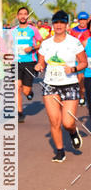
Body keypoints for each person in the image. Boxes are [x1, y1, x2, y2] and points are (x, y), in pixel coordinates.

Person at [35, 10, 87, 161]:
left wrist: (74, 69)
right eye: (56, 22)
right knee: (54, 121)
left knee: (68, 122)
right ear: (53, 24)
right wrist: (39, 65)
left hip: (70, 84)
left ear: (66, 25)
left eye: (62, 22)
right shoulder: (46, 43)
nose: (59, 25)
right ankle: (60, 151)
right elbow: (41, 61)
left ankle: (72, 132)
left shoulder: (74, 42)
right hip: (50, 85)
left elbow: (84, 62)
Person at [13, 6, 42, 123]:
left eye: (25, 14)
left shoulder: (33, 30)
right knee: (17, 87)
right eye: (21, 14)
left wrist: (33, 47)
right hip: (15, 62)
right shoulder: (12, 30)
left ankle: (29, 92)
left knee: (25, 90)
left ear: (28, 16)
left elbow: (42, 43)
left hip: (30, 62)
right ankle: (19, 112)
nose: (23, 16)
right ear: (17, 16)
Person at [69, 11, 90, 106]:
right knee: (80, 79)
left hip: (88, 58)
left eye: (84, 19)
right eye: (81, 19)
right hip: (78, 58)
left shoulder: (89, 30)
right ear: (78, 20)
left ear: (87, 20)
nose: (82, 21)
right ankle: (82, 97)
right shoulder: (73, 31)